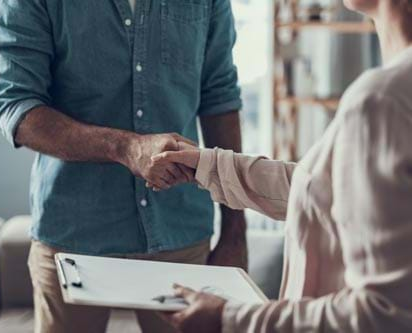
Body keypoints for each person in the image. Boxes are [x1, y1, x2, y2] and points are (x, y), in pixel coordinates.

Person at [151, 0, 412, 332]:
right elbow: (325, 192)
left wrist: (228, 318)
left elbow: (384, 314)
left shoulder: (380, 102)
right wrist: (210, 165)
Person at [0, 0, 247, 332]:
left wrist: (235, 231)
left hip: (180, 229)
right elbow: (18, 106)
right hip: (73, 238)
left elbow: (220, 96)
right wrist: (126, 147)